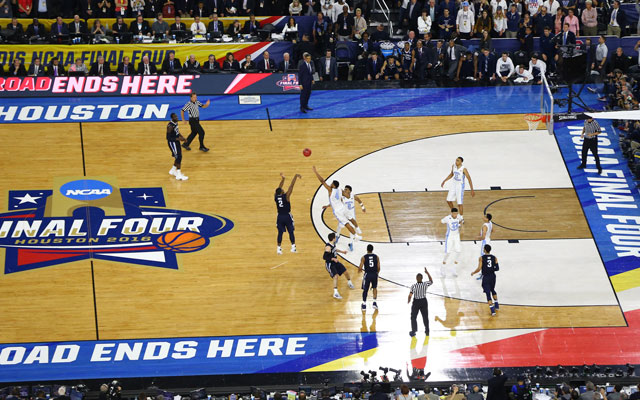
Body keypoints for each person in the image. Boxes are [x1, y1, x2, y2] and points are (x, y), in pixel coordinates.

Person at [313, 166, 362, 250]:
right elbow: (347, 195)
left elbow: (322, 181)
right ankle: (357, 230)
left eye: (332, 183)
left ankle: (356, 236)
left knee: (346, 224)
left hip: (338, 211)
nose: (330, 184)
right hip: (343, 207)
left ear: (333, 185)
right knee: (351, 219)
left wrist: (315, 172)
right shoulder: (340, 190)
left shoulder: (330, 190)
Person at [275, 172, 301, 254]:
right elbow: (291, 186)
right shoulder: (286, 196)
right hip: (287, 216)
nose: (283, 189)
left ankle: (279, 248)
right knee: (291, 232)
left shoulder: (275, 196)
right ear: (282, 192)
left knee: (280, 233)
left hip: (279, 216)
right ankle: (293, 247)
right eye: (283, 190)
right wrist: (295, 176)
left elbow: (279, 187)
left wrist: (283, 179)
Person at [323, 232, 355, 299]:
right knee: (336, 276)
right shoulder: (328, 247)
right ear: (333, 238)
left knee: (345, 271)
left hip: (335, 262)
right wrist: (333, 259)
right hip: (330, 263)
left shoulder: (333, 244)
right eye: (335, 237)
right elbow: (324, 257)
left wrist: (342, 252)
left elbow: (335, 249)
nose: (336, 238)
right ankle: (335, 293)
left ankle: (349, 282)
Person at [471, 244, 500, 315]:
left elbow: (479, 269)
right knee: (492, 290)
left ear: (484, 250)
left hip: (486, 277)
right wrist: (491, 268)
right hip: (493, 276)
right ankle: (496, 305)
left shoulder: (481, 258)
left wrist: (473, 272)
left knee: (488, 293)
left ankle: (492, 310)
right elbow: (497, 268)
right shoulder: (495, 257)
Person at [408, 267, 433, 337]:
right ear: (422, 278)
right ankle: (427, 331)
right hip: (424, 301)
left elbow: (410, 295)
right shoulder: (425, 284)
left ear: (416, 278)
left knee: (413, 317)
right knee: (425, 317)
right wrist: (427, 273)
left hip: (416, 302)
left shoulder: (413, 286)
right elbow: (431, 281)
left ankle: (414, 331)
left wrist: (409, 300)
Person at [441, 207, 463, 277]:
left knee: (458, 251)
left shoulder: (459, 217)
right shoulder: (447, 218)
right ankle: (443, 267)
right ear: (452, 213)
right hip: (449, 236)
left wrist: (460, 226)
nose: (455, 215)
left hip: (456, 236)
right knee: (448, 252)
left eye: (456, 213)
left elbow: (461, 221)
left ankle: (454, 268)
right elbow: (441, 221)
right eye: (454, 213)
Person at [167, 113, 189, 181]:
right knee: (178, 157)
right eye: (175, 117)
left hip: (176, 142)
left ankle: (173, 170)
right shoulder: (170, 126)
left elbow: (177, 132)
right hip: (172, 143)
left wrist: (182, 137)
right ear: (172, 118)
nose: (177, 118)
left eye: (176, 116)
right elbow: (168, 138)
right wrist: (180, 139)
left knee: (179, 156)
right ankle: (178, 175)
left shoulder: (176, 123)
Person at [358, 244, 379, 310]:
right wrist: (376, 273)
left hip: (367, 274)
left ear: (367, 249)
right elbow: (379, 267)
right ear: (372, 250)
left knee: (365, 289)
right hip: (374, 274)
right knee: (374, 288)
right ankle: (374, 303)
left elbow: (360, 268)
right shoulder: (377, 257)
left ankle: (364, 304)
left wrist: (360, 271)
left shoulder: (363, 257)